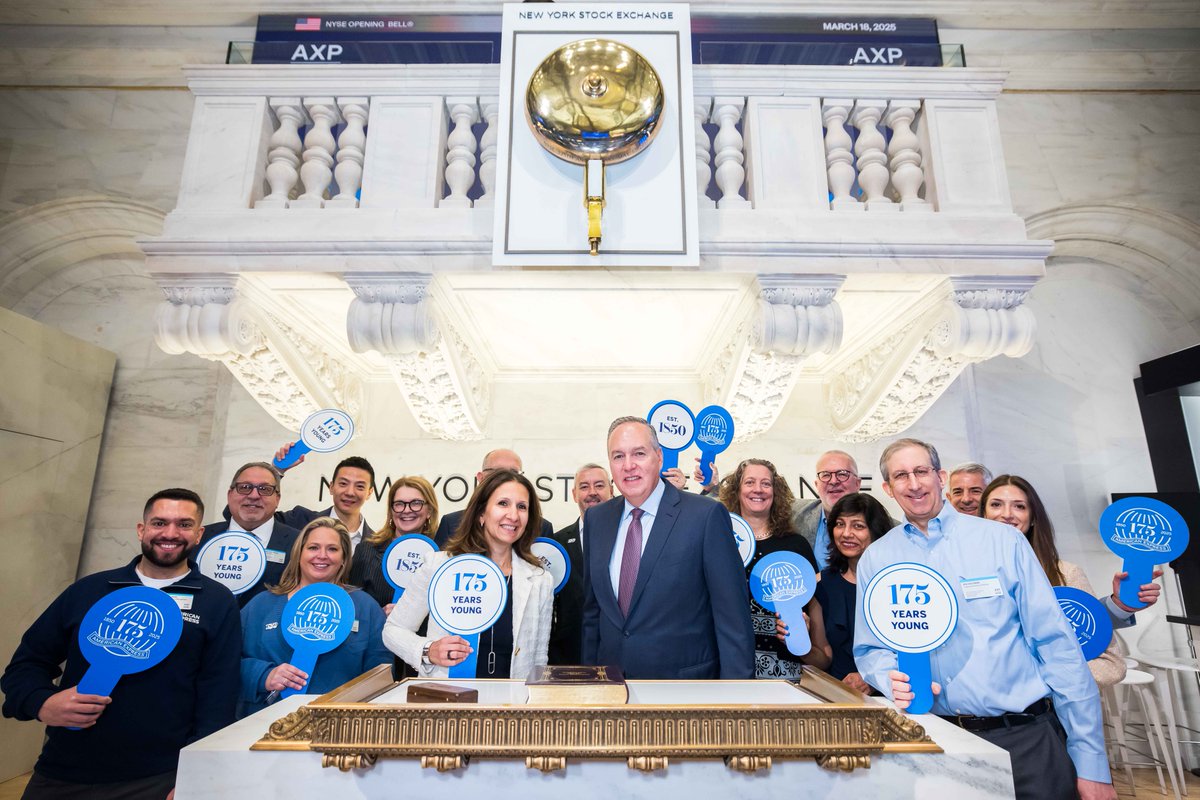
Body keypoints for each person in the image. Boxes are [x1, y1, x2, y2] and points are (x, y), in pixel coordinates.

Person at [853, 438, 1115, 800]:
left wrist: (1090, 763)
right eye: (901, 475)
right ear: (887, 488)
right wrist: (888, 677)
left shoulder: (1002, 541)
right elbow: (870, 647)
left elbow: (1057, 647)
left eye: (921, 471)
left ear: (940, 476)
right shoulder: (877, 558)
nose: (913, 484)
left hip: (1025, 740)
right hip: (937, 741)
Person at [2, 488, 240, 800]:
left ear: (199, 534)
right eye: (159, 523)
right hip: (63, 772)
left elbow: (218, 696)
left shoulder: (216, 602)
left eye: (183, 524)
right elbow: (25, 666)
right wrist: (42, 703)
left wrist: (195, 774)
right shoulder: (90, 590)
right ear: (142, 529)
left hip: (157, 778)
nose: (170, 533)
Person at [581, 417, 754, 679]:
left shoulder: (705, 516)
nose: (629, 465)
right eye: (618, 456)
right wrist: (590, 683)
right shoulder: (597, 519)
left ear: (659, 457)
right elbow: (593, 614)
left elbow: (733, 621)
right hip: (612, 690)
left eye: (639, 453)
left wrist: (736, 701)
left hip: (684, 695)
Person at [384, 469, 554, 680]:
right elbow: (393, 630)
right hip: (449, 704)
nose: (513, 515)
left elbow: (539, 659)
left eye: (522, 507)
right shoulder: (439, 566)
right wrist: (428, 650)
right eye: (503, 503)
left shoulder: (539, 580)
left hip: (511, 706)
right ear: (481, 513)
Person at [980, 475, 1126, 688]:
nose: (1006, 514)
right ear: (982, 514)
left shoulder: (1066, 574)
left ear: (1032, 518)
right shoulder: (962, 574)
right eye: (996, 505)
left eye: (1019, 506)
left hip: (1044, 714)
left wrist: (1041, 682)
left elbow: (1111, 664)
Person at [239, 517, 391, 716]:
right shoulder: (261, 605)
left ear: (344, 558)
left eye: (332, 549)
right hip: (263, 724)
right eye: (313, 547)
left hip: (339, 730)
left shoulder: (365, 608)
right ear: (299, 553)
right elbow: (225, 662)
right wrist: (263, 675)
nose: (322, 556)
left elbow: (381, 675)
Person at [716, 458, 821, 679]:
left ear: (776, 492)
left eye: (766, 483)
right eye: (750, 482)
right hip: (727, 665)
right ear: (737, 490)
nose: (758, 489)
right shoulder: (718, 541)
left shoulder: (795, 544)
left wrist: (805, 625)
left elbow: (814, 605)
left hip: (784, 670)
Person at [808, 492, 890, 693]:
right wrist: (799, 641)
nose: (846, 533)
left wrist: (872, 677)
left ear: (876, 531)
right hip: (839, 699)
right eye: (839, 524)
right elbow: (823, 659)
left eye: (858, 526)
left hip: (892, 697)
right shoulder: (821, 583)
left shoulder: (896, 583)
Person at [201, 462, 300, 607]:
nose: (254, 496)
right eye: (245, 487)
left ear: (277, 499)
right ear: (229, 495)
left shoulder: (299, 543)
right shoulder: (199, 538)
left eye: (265, 489)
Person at [548, 463, 613, 664]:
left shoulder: (630, 536)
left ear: (612, 490)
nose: (592, 492)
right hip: (569, 656)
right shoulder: (556, 543)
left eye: (599, 485)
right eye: (584, 487)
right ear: (575, 494)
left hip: (617, 654)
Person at [349, 476, 439, 613]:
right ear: (391, 511)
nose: (407, 510)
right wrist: (379, 616)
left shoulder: (441, 557)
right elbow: (353, 608)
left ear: (430, 511)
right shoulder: (366, 551)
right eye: (399, 504)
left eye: (416, 503)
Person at [433, 449, 553, 547]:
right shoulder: (451, 523)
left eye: (514, 473)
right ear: (481, 478)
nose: (507, 479)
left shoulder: (541, 528)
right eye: (498, 473)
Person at [272, 447, 377, 551]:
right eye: (343, 484)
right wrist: (276, 472)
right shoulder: (300, 520)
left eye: (359, 486)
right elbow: (260, 520)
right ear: (331, 487)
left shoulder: (378, 545)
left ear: (369, 492)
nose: (350, 492)